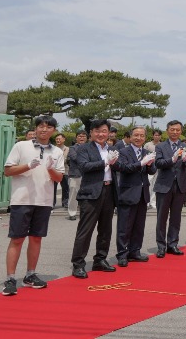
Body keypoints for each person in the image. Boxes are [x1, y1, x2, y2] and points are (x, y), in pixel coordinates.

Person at [1, 115, 65, 295]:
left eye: (48, 127)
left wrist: (51, 168)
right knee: (17, 238)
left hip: (44, 200)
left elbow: (59, 178)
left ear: (54, 130)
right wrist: (28, 165)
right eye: (41, 126)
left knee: (36, 238)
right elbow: (7, 170)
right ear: (36, 129)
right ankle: (10, 278)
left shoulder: (57, 151)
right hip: (22, 199)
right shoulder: (21, 146)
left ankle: (30, 274)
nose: (44, 130)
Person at [70, 119, 118, 279]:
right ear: (91, 133)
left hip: (109, 190)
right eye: (97, 131)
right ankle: (78, 264)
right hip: (91, 193)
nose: (101, 134)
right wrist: (105, 162)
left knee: (105, 229)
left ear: (109, 132)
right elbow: (84, 167)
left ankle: (100, 259)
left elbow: (118, 168)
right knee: (85, 230)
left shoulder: (112, 149)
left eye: (104, 131)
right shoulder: (84, 149)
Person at [114, 126, 157, 267]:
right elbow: (124, 168)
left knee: (139, 226)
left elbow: (152, 171)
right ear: (130, 136)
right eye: (136, 135)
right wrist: (141, 163)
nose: (139, 138)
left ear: (145, 137)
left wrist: (150, 164)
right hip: (128, 193)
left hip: (143, 194)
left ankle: (135, 251)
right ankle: (122, 254)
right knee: (124, 227)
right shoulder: (123, 152)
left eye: (142, 135)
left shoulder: (146, 152)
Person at [153, 121, 186, 257]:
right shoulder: (161, 146)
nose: (175, 132)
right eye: (172, 129)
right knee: (161, 217)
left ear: (181, 131)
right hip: (164, 186)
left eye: (178, 130)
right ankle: (161, 246)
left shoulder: (185, 146)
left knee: (176, 217)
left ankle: (173, 244)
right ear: (167, 130)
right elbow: (158, 163)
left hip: (180, 186)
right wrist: (172, 159)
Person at [66, 130, 87, 221]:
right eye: (79, 136)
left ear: (87, 138)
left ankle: (85, 213)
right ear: (76, 138)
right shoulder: (72, 148)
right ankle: (72, 213)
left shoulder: (91, 147)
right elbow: (74, 158)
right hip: (75, 174)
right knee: (73, 195)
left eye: (83, 136)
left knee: (86, 196)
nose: (81, 138)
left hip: (87, 175)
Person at [144, 129, 162, 209]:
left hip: (159, 167)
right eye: (155, 135)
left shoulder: (162, 145)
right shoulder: (148, 145)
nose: (157, 136)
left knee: (155, 184)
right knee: (148, 184)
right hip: (149, 167)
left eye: (158, 135)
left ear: (160, 136)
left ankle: (151, 201)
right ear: (153, 135)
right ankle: (147, 202)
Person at [54, 133, 69, 208]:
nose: (58, 140)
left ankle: (65, 202)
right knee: (53, 188)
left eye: (59, 139)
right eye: (56, 139)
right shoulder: (52, 149)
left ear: (64, 139)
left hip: (65, 171)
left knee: (65, 187)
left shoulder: (68, 149)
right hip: (55, 171)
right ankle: (52, 203)